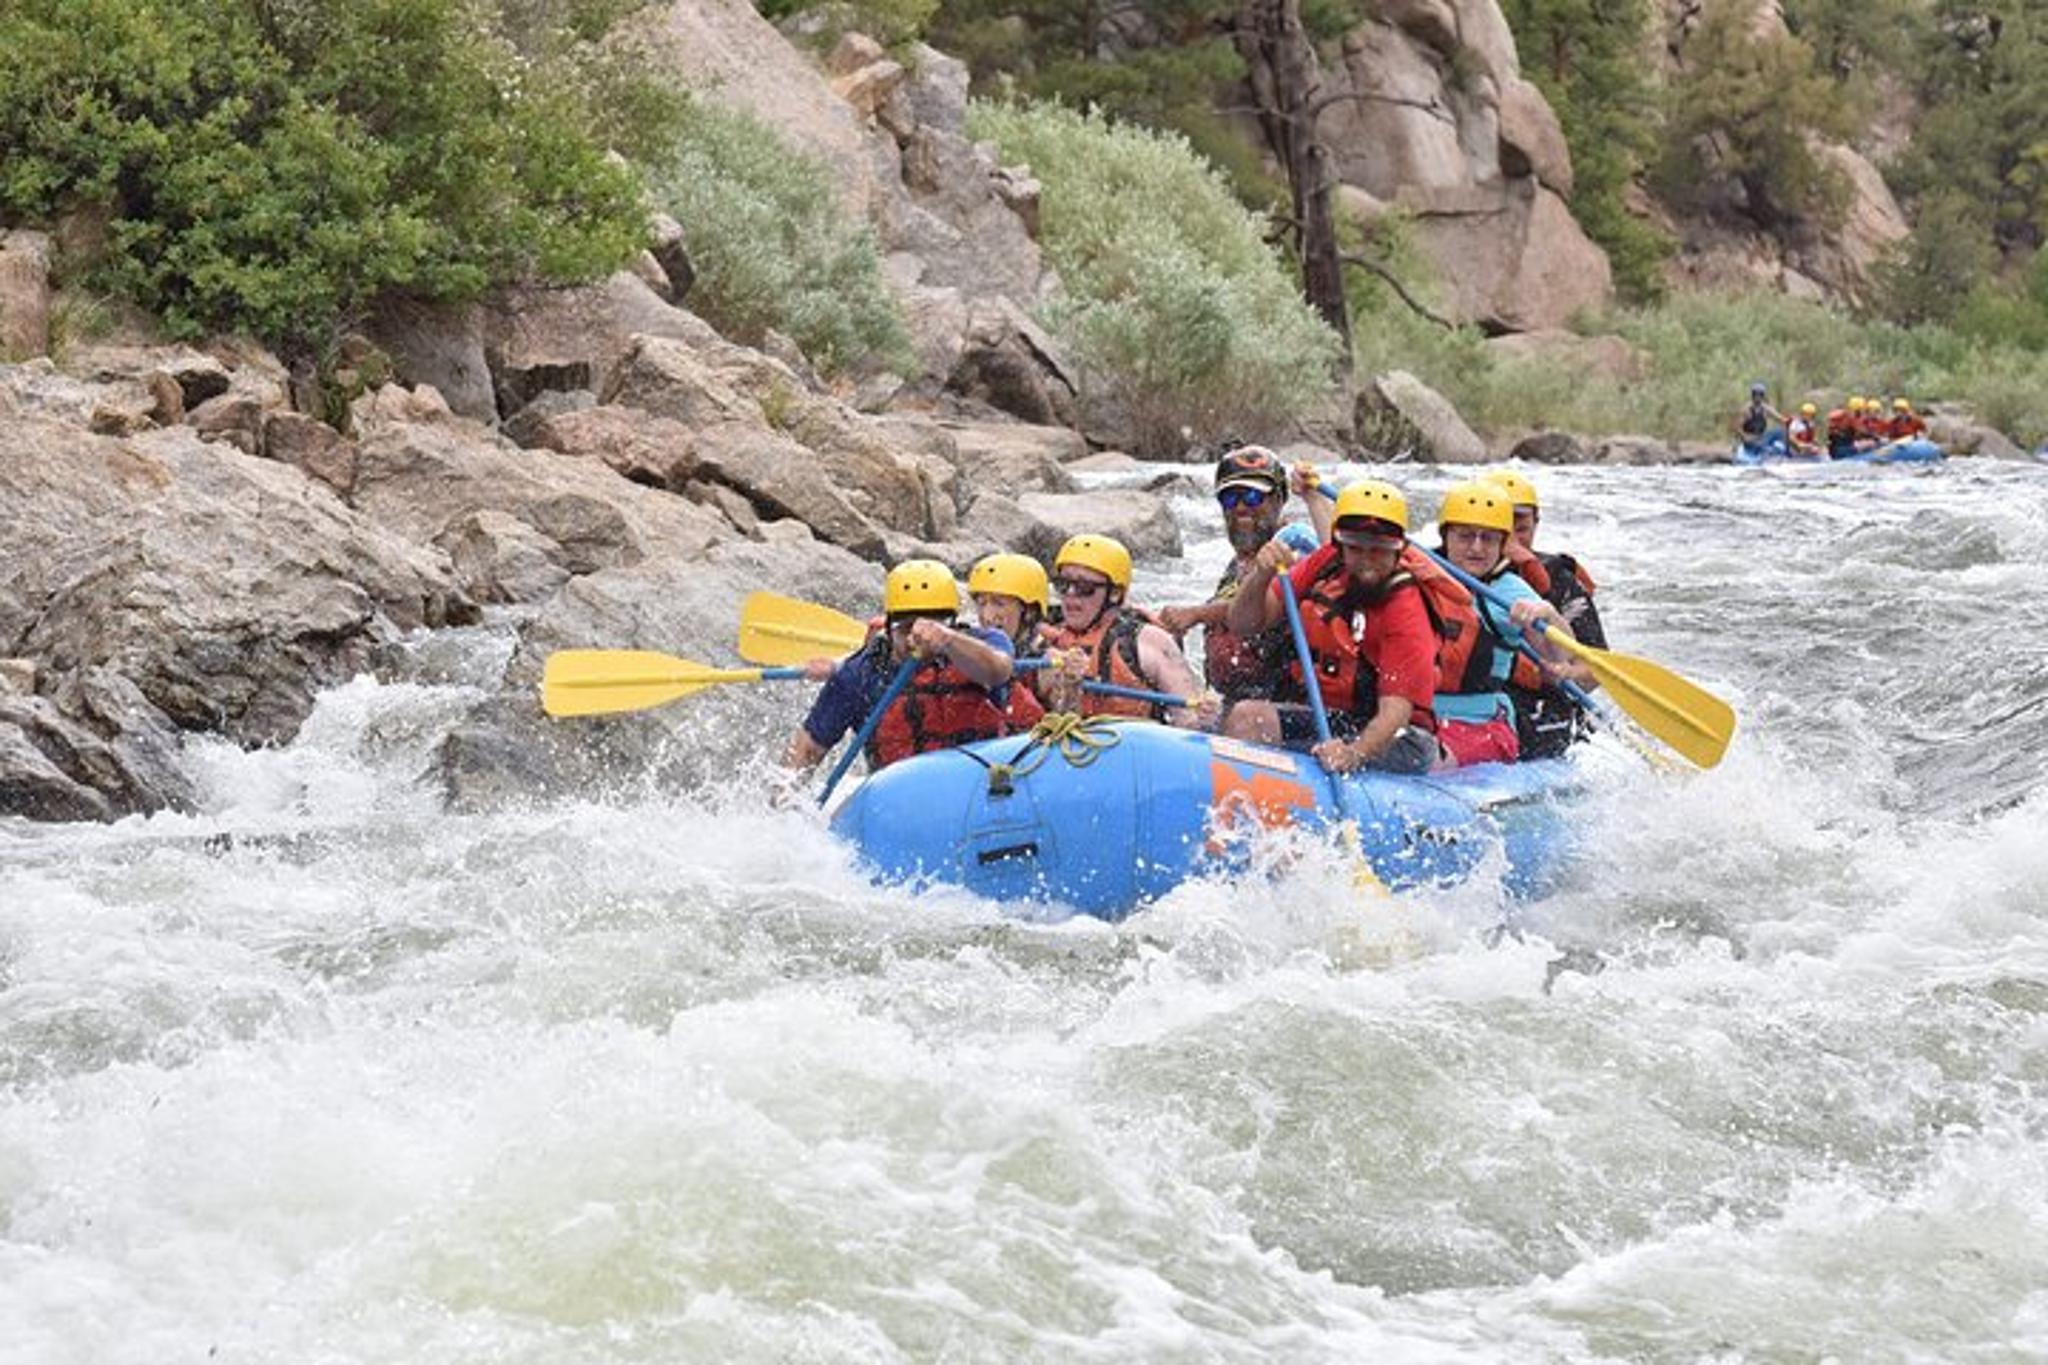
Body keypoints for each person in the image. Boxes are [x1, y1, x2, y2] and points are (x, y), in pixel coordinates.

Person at [1219, 480, 1441, 774]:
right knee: (1245, 718)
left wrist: (1353, 754)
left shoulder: (1407, 611)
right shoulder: (1326, 564)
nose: (1366, 562)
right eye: (1356, 549)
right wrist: (1260, 576)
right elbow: (1243, 623)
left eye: (1378, 550)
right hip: (1340, 715)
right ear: (1340, 546)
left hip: (1401, 738)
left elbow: (1396, 712)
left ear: (1398, 551)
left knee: (1254, 721)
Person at [782, 558, 1017, 775]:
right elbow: (806, 752)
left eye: (933, 626)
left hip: (978, 781)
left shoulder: (985, 644)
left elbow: (998, 671)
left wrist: (947, 640)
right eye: (907, 629)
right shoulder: (861, 673)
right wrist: (782, 807)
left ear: (953, 623)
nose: (920, 639)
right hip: (901, 797)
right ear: (888, 627)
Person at [1428, 481, 1584, 767]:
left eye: (1488, 539)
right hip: (1414, 716)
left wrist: (1548, 614)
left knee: (1424, 757)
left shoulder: (1509, 591)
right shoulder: (1417, 569)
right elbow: (1347, 552)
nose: (1476, 548)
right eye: (1465, 536)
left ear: (1503, 544)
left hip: (1481, 724)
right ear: (1446, 536)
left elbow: (1563, 656)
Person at [1154, 445, 1315, 708]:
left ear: (1279, 499)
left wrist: (1196, 614)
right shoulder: (1239, 562)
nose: (1240, 508)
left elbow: (1264, 606)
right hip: (1237, 702)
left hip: (1284, 710)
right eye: (1230, 498)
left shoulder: (1295, 548)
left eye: (1252, 497)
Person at [1482, 469, 1610, 759]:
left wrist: (1566, 673)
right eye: (1502, 526)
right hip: (1477, 701)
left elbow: (1596, 668)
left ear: (1536, 525)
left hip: (1541, 705)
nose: (1511, 540)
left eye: (1521, 527)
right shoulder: (1450, 569)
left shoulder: (1560, 581)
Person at [1035, 534, 1211, 727]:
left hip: (1137, 746)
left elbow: (1189, 721)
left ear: (1115, 594)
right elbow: (1054, 727)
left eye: (1084, 587)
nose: (1070, 594)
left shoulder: (1148, 642)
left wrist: (1205, 715)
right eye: (1062, 584)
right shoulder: (1045, 642)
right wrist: (1067, 685)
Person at [967, 551, 1051, 732]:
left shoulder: (1048, 662)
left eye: (999, 603)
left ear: (1028, 611)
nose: (987, 616)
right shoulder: (967, 649)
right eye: (981, 603)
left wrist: (1070, 686)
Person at [1733, 381, 1781, 456]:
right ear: (1752, 395)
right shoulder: (1746, 410)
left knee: (1779, 431)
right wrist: (1745, 436)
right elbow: (1736, 428)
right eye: (1755, 394)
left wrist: (1789, 421)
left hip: (1761, 438)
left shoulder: (1766, 409)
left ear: (1763, 396)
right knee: (1762, 447)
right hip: (1749, 440)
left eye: (1760, 394)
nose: (1757, 396)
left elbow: (1779, 418)